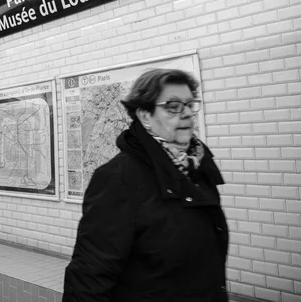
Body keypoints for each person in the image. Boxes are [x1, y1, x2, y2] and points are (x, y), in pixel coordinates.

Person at [63, 68, 228, 302]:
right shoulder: (118, 179)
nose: (188, 114)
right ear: (144, 116)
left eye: (190, 104)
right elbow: (89, 277)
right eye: (172, 106)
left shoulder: (198, 168)